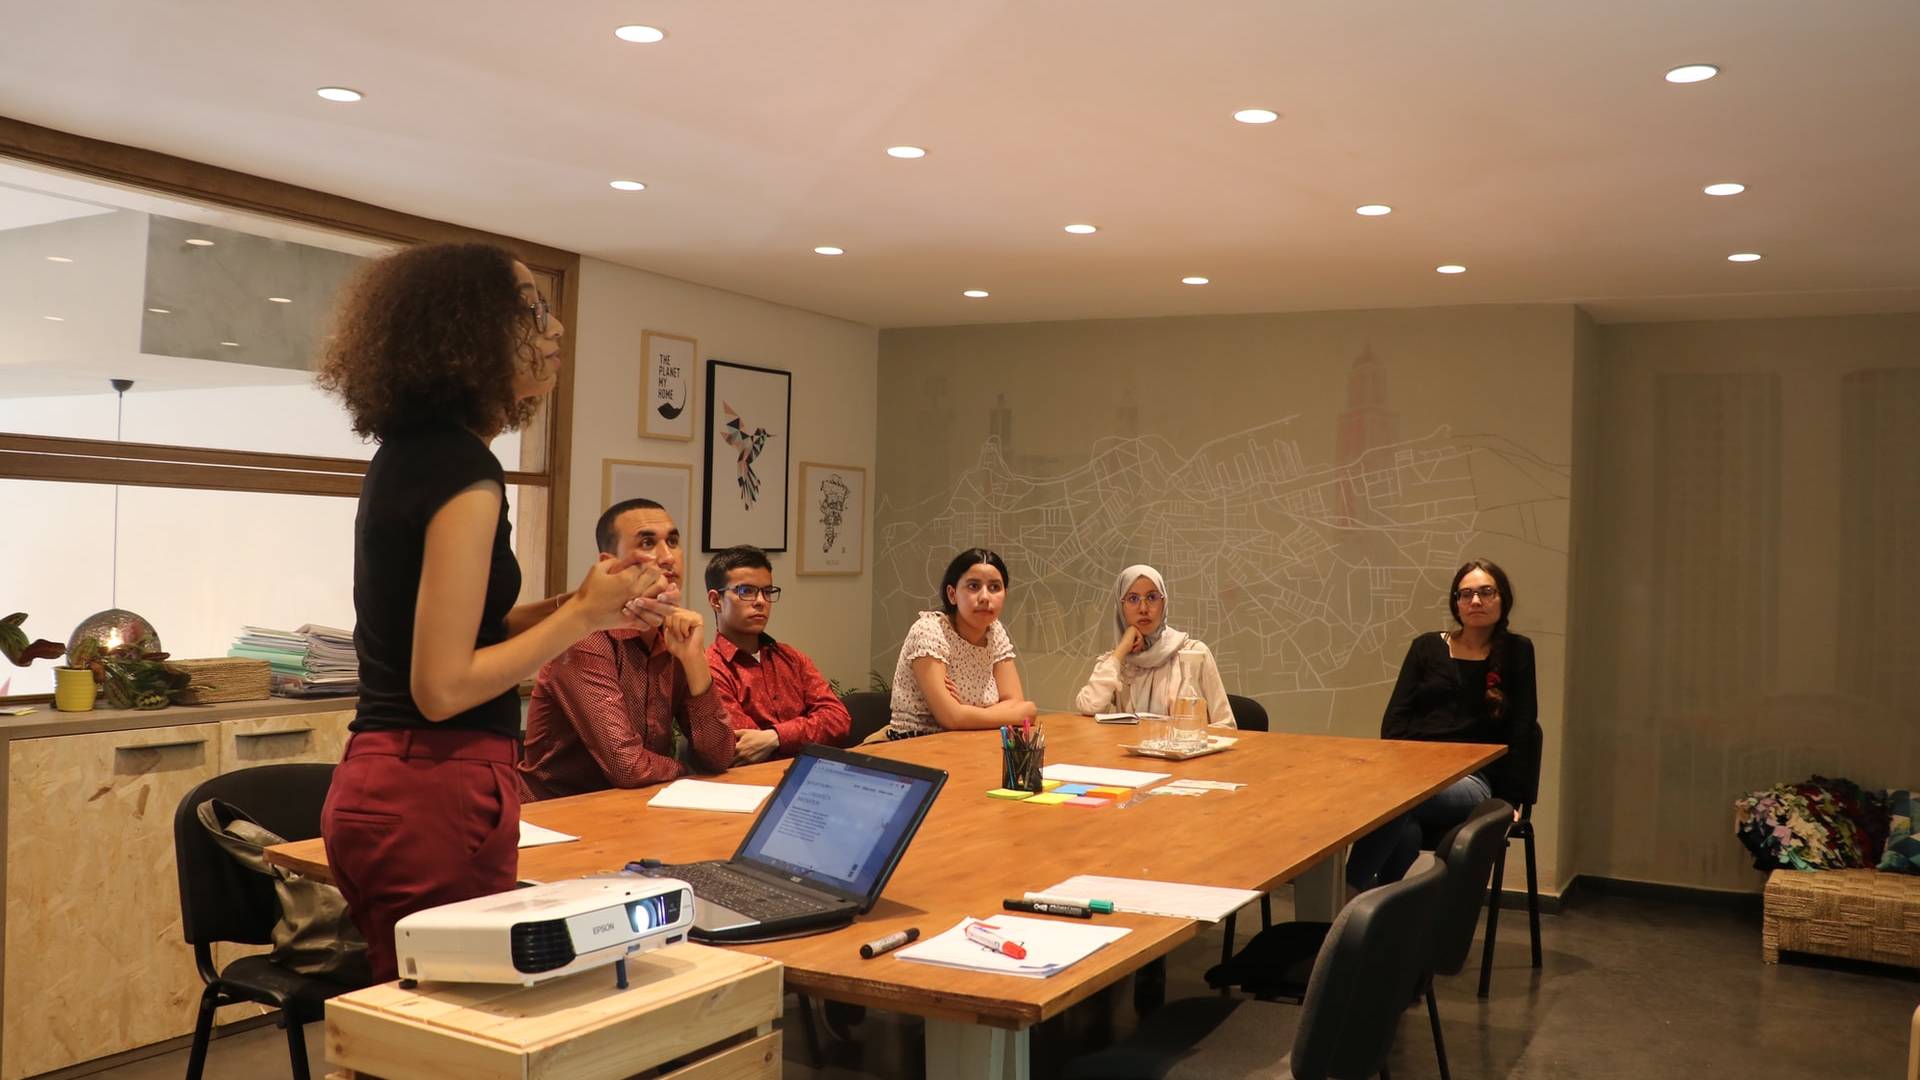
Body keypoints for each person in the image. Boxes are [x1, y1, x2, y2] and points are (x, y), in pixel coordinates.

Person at [315, 243, 670, 981]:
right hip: (433, 786)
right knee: (446, 1019)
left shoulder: (414, 454)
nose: (555, 328)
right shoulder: (462, 467)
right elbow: (442, 687)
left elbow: (473, 630)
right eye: (532, 310)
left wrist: (585, 603)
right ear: (468, 332)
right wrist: (581, 619)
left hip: (394, 778)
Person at [518, 500, 737, 799]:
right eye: (647, 543)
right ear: (609, 564)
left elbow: (719, 756)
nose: (668, 557)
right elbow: (628, 767)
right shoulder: (586, 638)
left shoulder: (674, 633)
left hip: (638, 806)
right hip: (556, 811)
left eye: (673, 542)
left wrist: (695, 662)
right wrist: (689, 773)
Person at [1345, 559, 1540, 891]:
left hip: (1473, 780)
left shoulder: (1517, 651)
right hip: (1412, 773)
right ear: (1456, 602)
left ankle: (1348, 892)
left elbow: (1522, 730)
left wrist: (1508, 801)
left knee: (1396, 799)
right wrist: (1401, 767)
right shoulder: (1426, 647)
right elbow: (1394, 722)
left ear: (1502, 599)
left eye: (1486, 592)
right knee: (1405, 824)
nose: (1475, 601)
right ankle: (1385, 908)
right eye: (1466, 594)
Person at [703, 545, 851, 761]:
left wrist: (775, 737)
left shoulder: (792, 658)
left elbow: (838, 720)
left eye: (767, 591)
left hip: (809, 773)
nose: (761, 601)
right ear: (716, 600)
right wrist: (805, 732)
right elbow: (745, 747)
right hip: (756, 779)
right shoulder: (710, 668)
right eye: (746, 591)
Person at [886, 547, 1037, 739]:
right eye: (973, 586)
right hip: (915, 742)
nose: (985, 597)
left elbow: (1016, 701)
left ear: (1005, 594)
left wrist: (964, 711)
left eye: (994, 587)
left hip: (971, 740)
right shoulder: (928, 630)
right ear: (952, 594)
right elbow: (951, 718)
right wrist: (1012, 714)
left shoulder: (994, 630)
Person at [1073, 564, 1235, 727]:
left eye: (1152, 597)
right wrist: (1121, 649)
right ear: (1121, 607)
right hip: (1130, 744)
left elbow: (1226, 726)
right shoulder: (1118, 662)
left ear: (1164, 603)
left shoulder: (1194, 654)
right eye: (1133, 599)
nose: (1143, 609)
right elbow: (1090, 707)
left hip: (1186, 743)